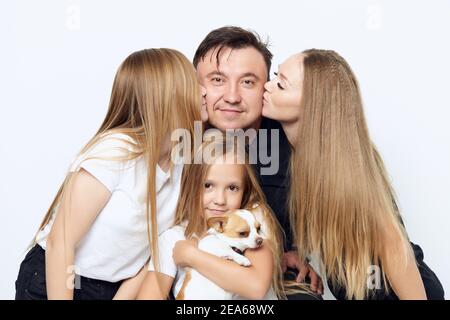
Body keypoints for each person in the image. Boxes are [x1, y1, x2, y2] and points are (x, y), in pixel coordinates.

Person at [15, 48, 202, 300]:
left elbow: (147, 256)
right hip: (56, 279)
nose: (203, 92)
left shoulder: (183, 162)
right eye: (193, 85)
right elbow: (61, 242)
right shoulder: (115, 151)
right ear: (165, 97)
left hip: (109, 288)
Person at [262, 48, 445, 299]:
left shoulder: (343, 163)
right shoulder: (291, 155)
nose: (268, 86)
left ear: (312, 104)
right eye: (274, 76)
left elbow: (392, 244)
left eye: (281, 85)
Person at [193, 26, 323, 297]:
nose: (232, 96)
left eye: (248, 82)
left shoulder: (292, 140)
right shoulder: (177, 137)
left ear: (267, 88)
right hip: (192, 270)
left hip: (270, 275)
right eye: (217, 80)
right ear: (197, 85)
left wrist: (294, 248)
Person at [137, 134, 294, 299]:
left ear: (244, 191)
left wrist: (191, 256)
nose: (220, 200)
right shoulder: (173, 239)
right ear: (191, 186)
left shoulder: (250, 228)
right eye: (208, 185)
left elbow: (256, 287)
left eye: (232, 188)